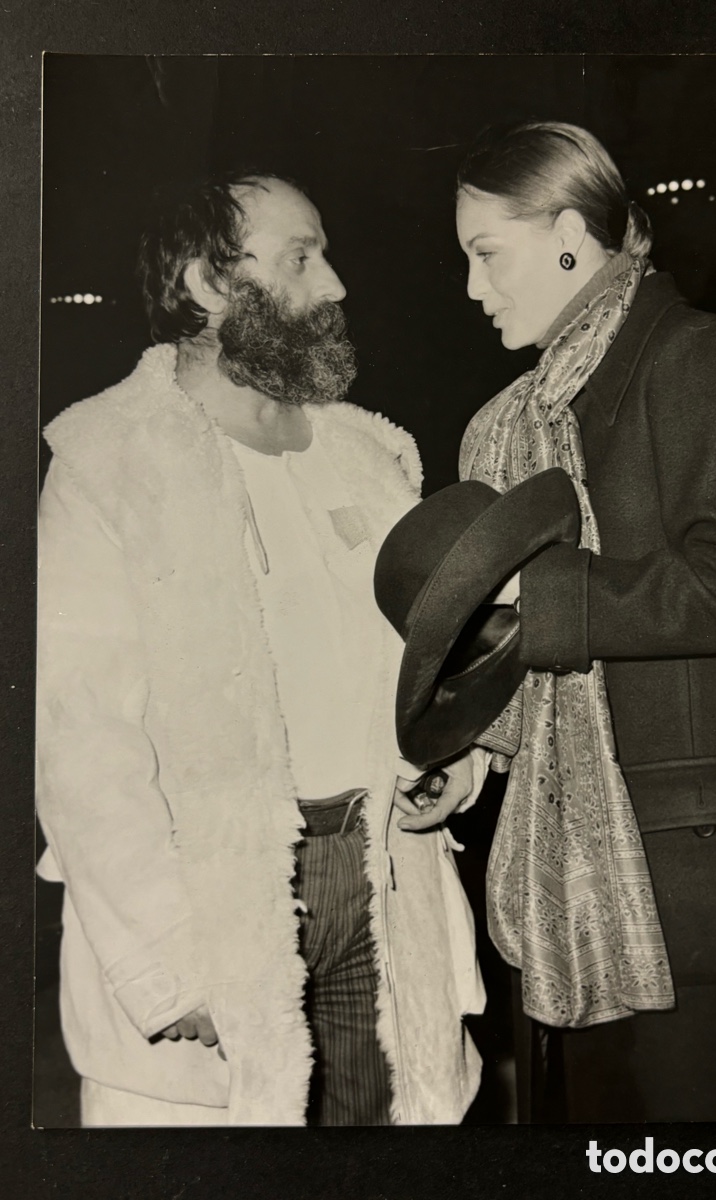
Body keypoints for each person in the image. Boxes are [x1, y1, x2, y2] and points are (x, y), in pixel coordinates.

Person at [36, 169, 486, 1127]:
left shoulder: (371, 455)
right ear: (207, 285)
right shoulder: (106, 463)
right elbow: (80, 742)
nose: (335, 285)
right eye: (301, 256)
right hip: (212, 892)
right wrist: (167, 958)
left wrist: (456, 755)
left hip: (376, 875)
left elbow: (433, 657)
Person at [454, 121, 716, 1122]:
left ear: (568, 233)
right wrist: (465, 753)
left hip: (700, 883)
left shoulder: (694, 358)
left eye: (486, 255)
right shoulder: (539, 409)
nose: (474, 292)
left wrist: (538, 593)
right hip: (597, 883)